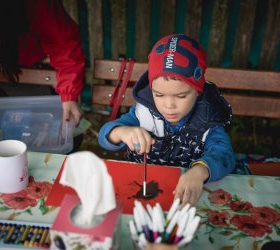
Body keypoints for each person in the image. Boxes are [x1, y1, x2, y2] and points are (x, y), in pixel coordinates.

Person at [98, 34, 236, 206]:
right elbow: (104, 136)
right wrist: (120, 132)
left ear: (198, 90)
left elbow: (225, 155)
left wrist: (200, 171)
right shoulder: (143, 113)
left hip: (184, 194)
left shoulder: (208, 120)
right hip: (138, 190)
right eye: (159, 95)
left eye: (181, 96)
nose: (169, 105)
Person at [0, 0, 85, 127]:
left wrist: (69, 95)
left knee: (48, 127)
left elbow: (62, 43)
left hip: (29, 72)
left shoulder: (37, 4)